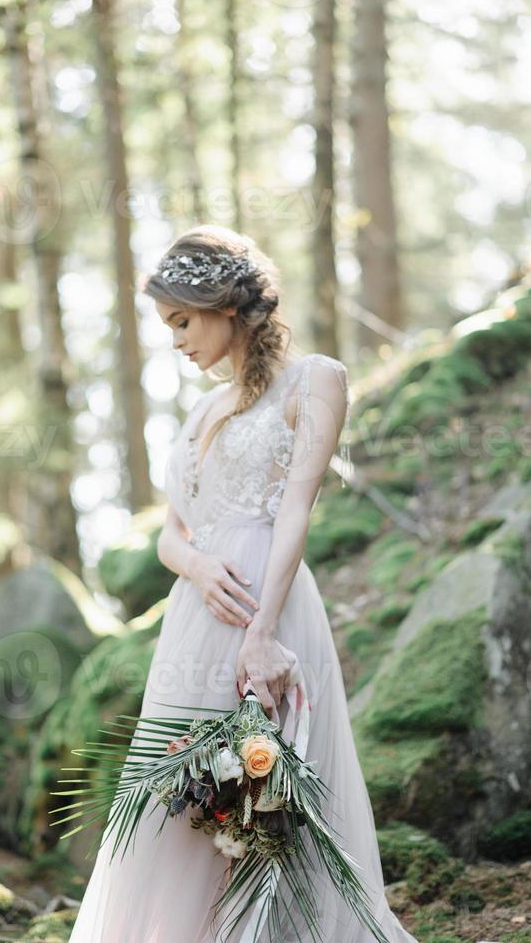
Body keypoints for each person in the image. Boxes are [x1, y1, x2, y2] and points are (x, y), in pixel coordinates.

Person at [68, 225, 418, 942]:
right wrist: (195, 566)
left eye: (182, 321)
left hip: (270, 606)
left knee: (271, 798)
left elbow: (296, 508)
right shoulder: (200, 411)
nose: (176, 341)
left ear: (225, 303)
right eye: (167, 327)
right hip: (194, 620)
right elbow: (171, 534)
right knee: (186, 800)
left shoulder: (315, 378)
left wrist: (262, 636)